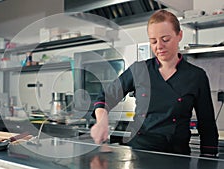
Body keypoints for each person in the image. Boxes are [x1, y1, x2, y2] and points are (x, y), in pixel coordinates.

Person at [90, 9, 219, 157]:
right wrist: (101, 121)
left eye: (165, 39)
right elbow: (105, 97)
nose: (159, 46)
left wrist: (208, 158)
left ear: (179, 36)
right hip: (139, 153)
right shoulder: (139, 70)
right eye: (153, 41)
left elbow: (207, 123)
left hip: (176, 157)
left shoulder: (196, 76)